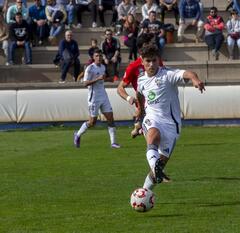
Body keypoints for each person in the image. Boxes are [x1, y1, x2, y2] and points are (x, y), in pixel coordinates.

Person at [136, 44, 205, 189]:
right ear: (142, 61)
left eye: (154, 60)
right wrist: (140, 113)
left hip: (171, 125)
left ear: (158, 60)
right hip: (152, 118)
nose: (151, 64)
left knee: (157, 169)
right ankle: (156, 168)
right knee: (153, 137)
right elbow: (140, 95)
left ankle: (145, 191)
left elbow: (188, 73)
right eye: (148, 61)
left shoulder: (167, 74)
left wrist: (195, 79)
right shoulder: (141, 79)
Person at [117, 33, 163, 138]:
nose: (152, 47)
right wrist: (128, 98)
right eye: (149, 45)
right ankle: (139, 127)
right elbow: (120, 88)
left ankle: (138, 127)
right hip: (145, 105)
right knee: (153, 136)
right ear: (141, 49)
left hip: (159, 103)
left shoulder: (157, 61)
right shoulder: (133, 67)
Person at [74, 49, 121, 149]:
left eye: (100, 56)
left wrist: (109, 79)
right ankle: (77, 135)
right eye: (97, 56)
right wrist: (97, 79)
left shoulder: (103, 67)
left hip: (103, 96)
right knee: (92, 122)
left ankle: (113, 142)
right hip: (94, 97)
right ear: (93, 57)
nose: (99, 58)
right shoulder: (90, 68)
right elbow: (85, 83)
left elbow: (102, 79)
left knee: (111, 119)